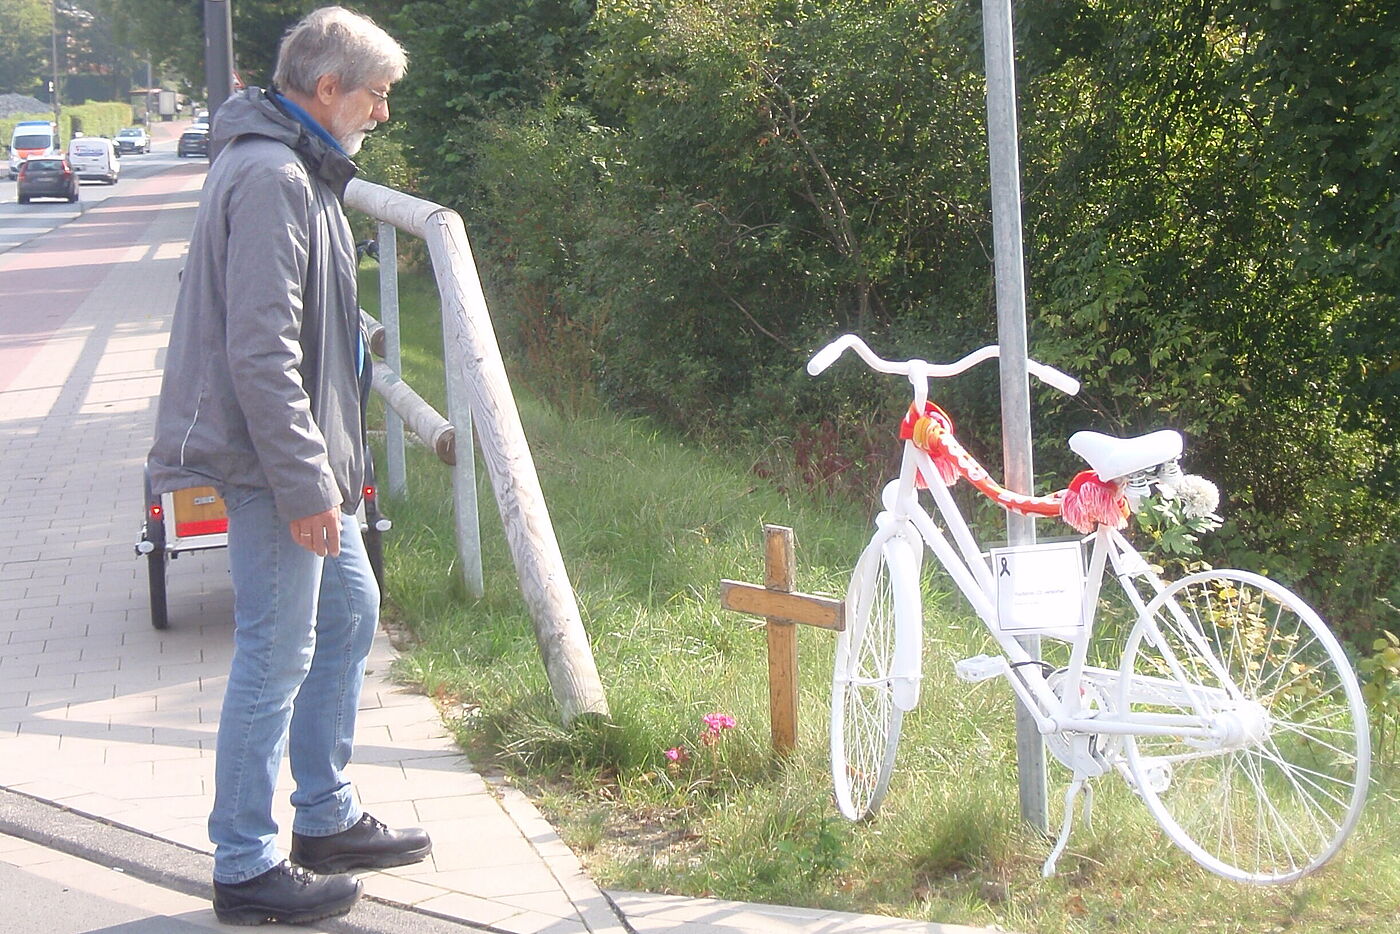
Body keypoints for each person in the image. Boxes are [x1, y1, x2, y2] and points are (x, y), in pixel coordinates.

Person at [148, 7, 429, 925]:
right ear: (325, 90)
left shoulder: (298, 164)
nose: (383, 115)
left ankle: (325, 815)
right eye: (377, 97)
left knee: (349, 611)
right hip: (276, 463)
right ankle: (244, 864)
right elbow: (261, 355)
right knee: (275, 654)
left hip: (307, 455)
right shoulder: (273, 176)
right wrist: (310, 485)